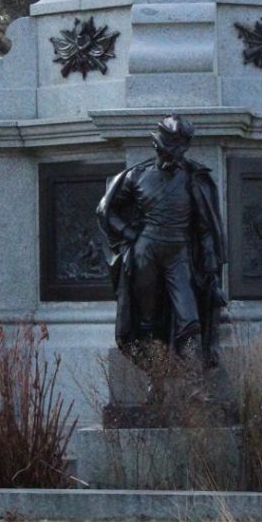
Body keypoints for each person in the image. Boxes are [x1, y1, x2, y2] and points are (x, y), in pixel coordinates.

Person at [97, 115, 228, 367]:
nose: (174, 155)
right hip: (145, 252)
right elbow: (106, 210)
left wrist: (212, 270)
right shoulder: (136, 177)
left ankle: (193, 380)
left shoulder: (193, 179)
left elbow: (204, 228)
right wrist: (127, 233)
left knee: (189, 318)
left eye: (178, 151)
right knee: (147, 320)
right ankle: (154, 378)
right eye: (170, 150)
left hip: (179, 253)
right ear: (158, 147)